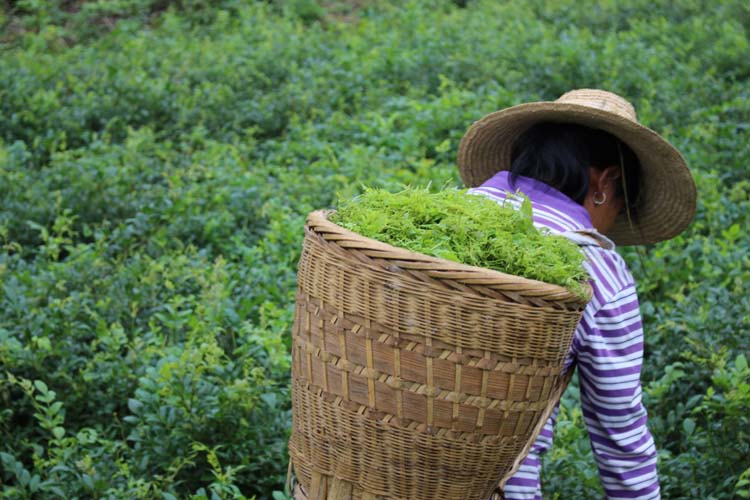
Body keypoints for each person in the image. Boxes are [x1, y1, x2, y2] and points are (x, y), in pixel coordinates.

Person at [457, 89, 697, 500]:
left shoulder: (448, 213)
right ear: (606, 182)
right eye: (620, 206)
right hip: (491, 486)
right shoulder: (596, 268)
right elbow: (618, 431)